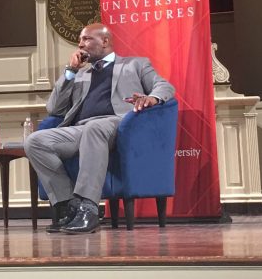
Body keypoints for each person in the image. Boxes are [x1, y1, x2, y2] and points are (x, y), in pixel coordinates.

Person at [24, 23, 174, 234]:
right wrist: (70, 72)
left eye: (86, 39)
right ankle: (68, 206)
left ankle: (89, 208)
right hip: (81, 129)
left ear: (104, 41)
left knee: (95, 127)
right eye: (80, 40)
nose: (80, 44)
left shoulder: (135, 65)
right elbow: (54, 108)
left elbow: (165, 86)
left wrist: (152, 98)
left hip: (118, 124)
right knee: (35, 141)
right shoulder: (80, 74)